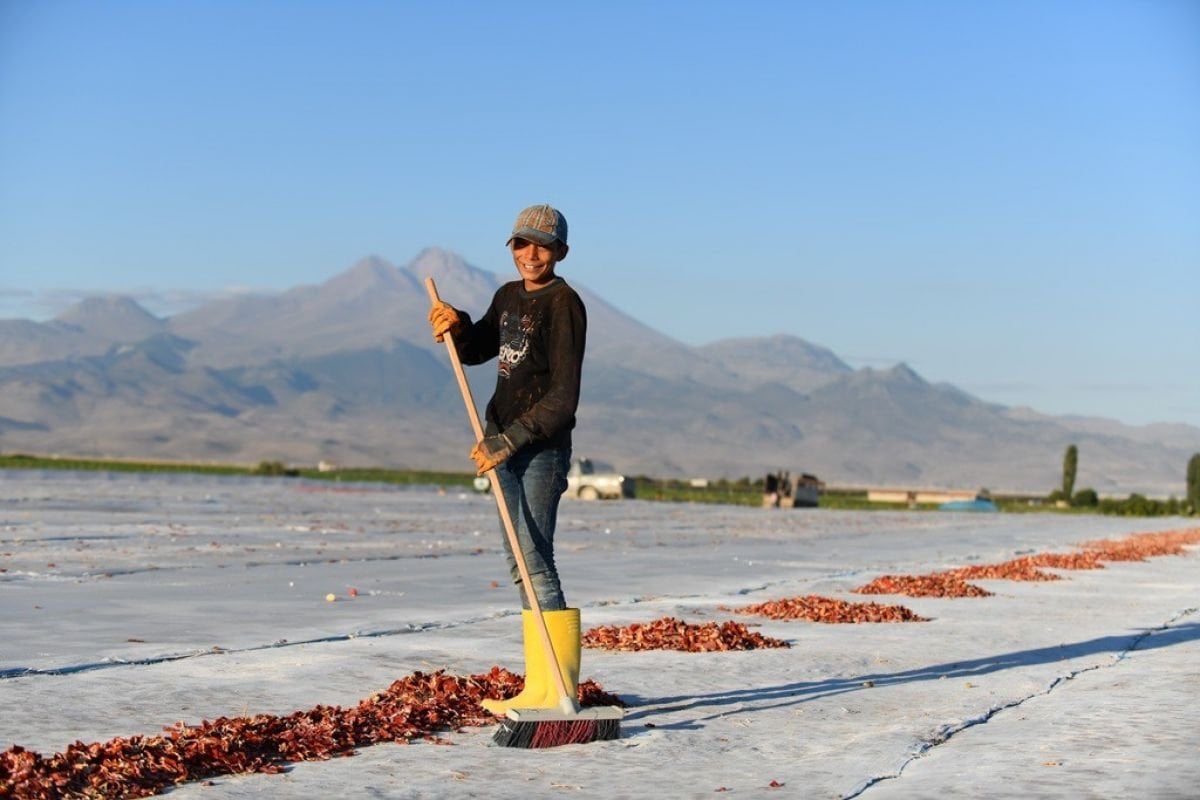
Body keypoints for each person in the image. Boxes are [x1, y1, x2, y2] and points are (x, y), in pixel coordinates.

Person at [427, 203, 587, 716]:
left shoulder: (565, 304)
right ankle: (539, 687)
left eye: (542, 245)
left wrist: (511, 439)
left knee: (537, 562)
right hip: (501, 441)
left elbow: (563, 397)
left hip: (538, 449)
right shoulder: (507, 296)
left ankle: (562, 690)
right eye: (522, 243)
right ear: (511, 248)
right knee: (520, 566)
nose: (531, 253)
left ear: (560, 251)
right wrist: (457, 322)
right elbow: (477, 350)